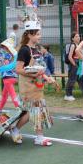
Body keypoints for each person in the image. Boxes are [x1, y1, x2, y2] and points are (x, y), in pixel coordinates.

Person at [12, 18, 57, 146]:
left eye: (39, 33)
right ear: (30, 34)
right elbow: (18, 69)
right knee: (36, 110)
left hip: (37, 86)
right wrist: (33, 73)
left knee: (32, 111)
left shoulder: (37, 49)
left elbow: (40, 68)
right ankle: (38, 136)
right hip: (28, 87)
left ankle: (16, 129)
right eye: (37, 34)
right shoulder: (24, 50)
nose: (40, 36)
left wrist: (48, 78)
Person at [0, 38, 19, 115]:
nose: (2, 48)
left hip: (7, 79)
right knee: (4, 95)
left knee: (13, 95)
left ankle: (20, 109)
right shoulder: (15, 55)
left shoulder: (3, 55)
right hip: (14, 77)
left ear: (7, 48)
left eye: (3, 47)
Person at [65, 32, 81, 101]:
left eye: (79, 36)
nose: (78, 37)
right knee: (72, 80)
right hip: (74, 64)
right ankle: (68, 95)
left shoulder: (78, 45)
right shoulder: (73, 45)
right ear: (72, 38)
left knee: (81, 79)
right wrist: (74, 64)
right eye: (76, 36)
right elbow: (69, 57)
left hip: (78, 64)